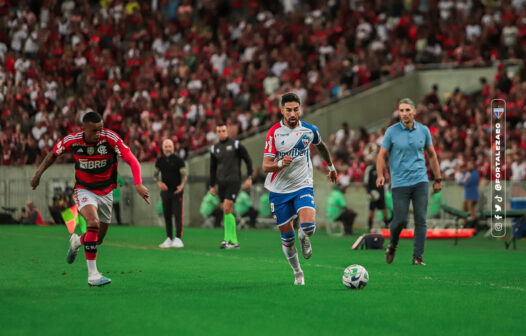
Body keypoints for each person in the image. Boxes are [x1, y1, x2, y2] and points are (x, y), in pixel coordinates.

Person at [30, 111, 150, 287]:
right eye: (94, 131)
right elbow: (52, 155)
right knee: (92, 222)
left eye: (100, 129)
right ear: (83, 129)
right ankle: (93, 275)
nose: (98, 134)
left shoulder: (110, 138)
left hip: (106, 192)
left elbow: (132, 160)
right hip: (84, 189)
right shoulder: (73, 140)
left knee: (98, 239)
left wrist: (138, 184)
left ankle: (77, 241)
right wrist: (38, 174)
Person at [263, 92, 337, 285]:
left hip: (302, 185)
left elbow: (321, 147)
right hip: (279, 190)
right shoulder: (274, 133)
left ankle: (304, 235)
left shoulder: (309, 130)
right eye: (289, 110)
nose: (293, 113)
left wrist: (331, 167)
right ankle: (298, 272)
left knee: (309, 227)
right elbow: (265, 165)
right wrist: (279, 164)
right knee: (287, 237)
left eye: (296, 109)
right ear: (282, 111)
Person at [377, 98, 442, 266]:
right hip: (399, 183)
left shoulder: (424, 130)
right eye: (401, 110)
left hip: (421, 180)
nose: (404, 113)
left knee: (421, 219)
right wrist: (380, 174)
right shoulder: (391, 132)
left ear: (414, 112)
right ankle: (392, 245)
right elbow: (381, 155)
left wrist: (437, 178)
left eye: (407, 110)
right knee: (400, 220)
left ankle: (417, 257)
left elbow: (432, 155)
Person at [209, 123, 253, 249]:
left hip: (234, 181)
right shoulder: (214, 149)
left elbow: (247, 159)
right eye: (219, 131)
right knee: (226, 210)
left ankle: (232, 240)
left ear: (227, 131)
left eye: (223, 130)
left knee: (227, 207)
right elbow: (212, 169)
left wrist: (249, 177)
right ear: (216, 133)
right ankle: (229, 240)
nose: (221, 132)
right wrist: (212, 185)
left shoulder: (236, 145)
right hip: (221, 182)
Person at [154, 139, 187, 248]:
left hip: (176, 192)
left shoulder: (178, 160)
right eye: (166, 146)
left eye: (169, 146)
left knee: (178, 215)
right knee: (167, 215)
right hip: (165, 192)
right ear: (163, 148)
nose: (168, 148)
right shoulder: (160, 161)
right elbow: (155, 175)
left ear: (173, 147)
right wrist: (159, 183)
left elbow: (184, 174)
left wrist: (181, 186)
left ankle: (178, 238)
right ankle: (169, 237)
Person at [363, 153, 390, 230]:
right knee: (371, 212)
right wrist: (369, 192)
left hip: (380, 193)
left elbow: (386, 180)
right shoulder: (370, 169)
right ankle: (369, 227)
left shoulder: (382, 169)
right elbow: (366, 182)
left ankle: (387, 226)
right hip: (373, 194)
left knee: (384, 211)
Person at [458, 161, 479, 225]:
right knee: (463, 210)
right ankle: (465, 224)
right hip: (466, 197)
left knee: (472, 212)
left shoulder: (475, 173)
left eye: (470, 164)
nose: (469, 166)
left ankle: (474, 225)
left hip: (473, 197)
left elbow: (469, 182)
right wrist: (465, 179)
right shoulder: (467, 173)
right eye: (468, 165)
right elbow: (459, 182)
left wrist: (465, 180)